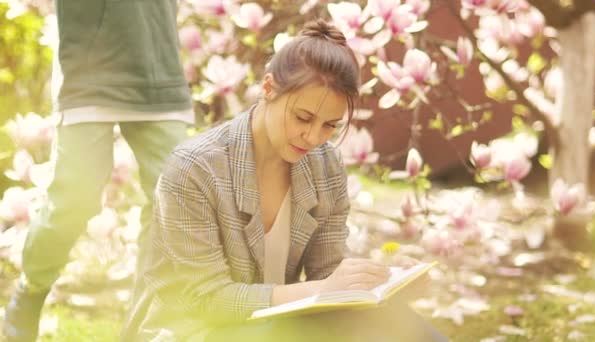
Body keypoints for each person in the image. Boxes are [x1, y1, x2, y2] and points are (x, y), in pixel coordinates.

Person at [123, 19, 447, 342]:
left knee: (392, 320)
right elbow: (205, 299)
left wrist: (386, 280)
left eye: (329, 125)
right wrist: (323, 289)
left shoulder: (324, 164)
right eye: (303, 118)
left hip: (273, 328)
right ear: (268, 88)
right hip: (193, 330)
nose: (313, 136)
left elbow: (328, 273)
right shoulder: (194, 168)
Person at [2, 1, 193, 341]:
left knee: (175, 199)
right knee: (74, 200)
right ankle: (30, 290)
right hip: (87, 70)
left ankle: (141, 326)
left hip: (157, 65)